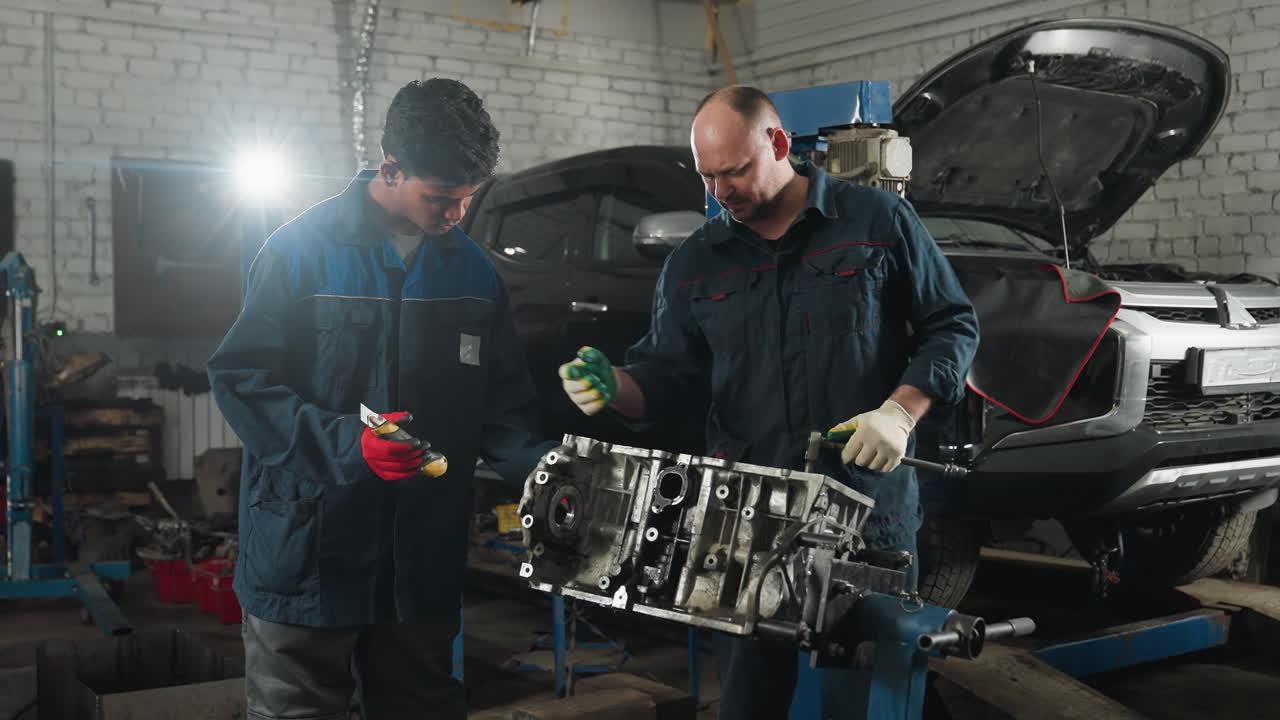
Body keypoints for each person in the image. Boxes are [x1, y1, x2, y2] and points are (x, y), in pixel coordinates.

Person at [558, 85, 979, 718]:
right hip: (743, 525)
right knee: (749, 702)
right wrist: (614, 385)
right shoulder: (695, 263)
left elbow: (952, 325)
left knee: (870, 701)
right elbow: (667, 379)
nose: (720, 191)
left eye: (734, 171)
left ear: (778, 145)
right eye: (708, 177)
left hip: (866, 518)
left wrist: (901, 411)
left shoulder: (877, 223)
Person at [208, 78, 551, 720]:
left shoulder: (474, 274)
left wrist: (542, 472)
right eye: (441, 198)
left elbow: (504, 403)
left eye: (467, 200)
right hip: (309, 550)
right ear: (390, 169)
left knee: (421, 705)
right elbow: (241, 379)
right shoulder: (296, 254)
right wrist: (347, 444)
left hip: (421, 557)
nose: (455, 216)